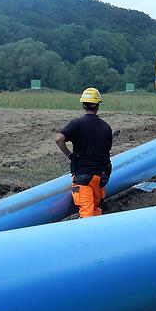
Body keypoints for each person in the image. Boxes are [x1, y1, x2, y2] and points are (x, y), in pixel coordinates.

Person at [55, 87, 113, 218]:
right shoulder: (106, 127)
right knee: (96, 209)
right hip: (100, 177)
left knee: (86, 214)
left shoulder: (77, 124)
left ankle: (87, 236)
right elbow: (106, 151)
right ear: (97, 105)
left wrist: (69, 155)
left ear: (83, 105)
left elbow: (58, 139)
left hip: (83, 176)